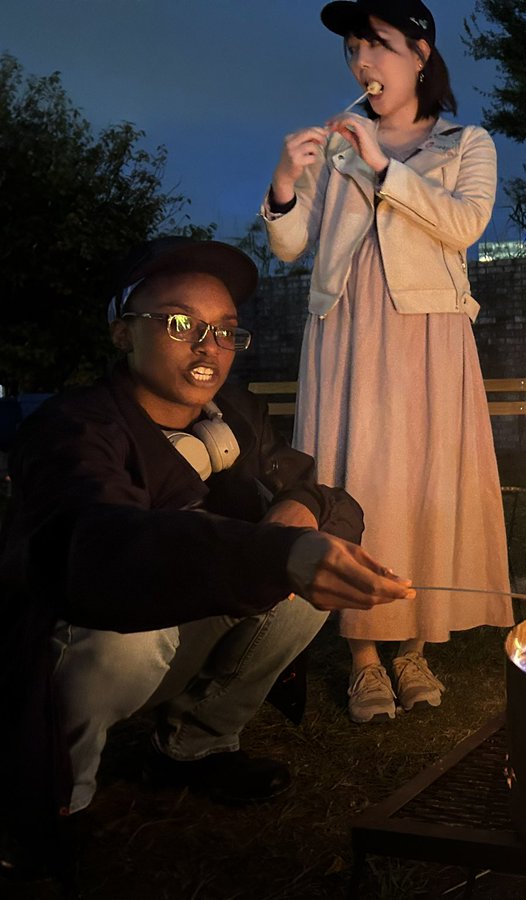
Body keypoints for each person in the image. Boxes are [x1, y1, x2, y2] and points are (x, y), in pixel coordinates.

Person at [0, 237, 414, 876]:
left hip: (187, 613)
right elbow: (97, 547)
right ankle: (57, 799)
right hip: (85, 628)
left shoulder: (237, 415)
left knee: (304, 579)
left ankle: (197, 743)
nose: (208, 347)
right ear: (122, 334)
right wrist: (270, 551)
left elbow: (320, 493)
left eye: (224, 330)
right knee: (123, 642)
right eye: (179, 324)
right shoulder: (76, 428)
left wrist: (297, 522)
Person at [263, 0, 512, 725]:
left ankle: (415, 648)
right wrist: (285, 180)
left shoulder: (467, 142)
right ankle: (366, 657)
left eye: (377, 46)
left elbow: (464, 223)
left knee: (425, 481)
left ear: (421, 53)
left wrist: (380, 164)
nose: (362, 64)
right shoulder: (336, 146)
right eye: (353, 51)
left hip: (428, 330)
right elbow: (288, 245)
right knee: (356, 478)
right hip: (347, 332)